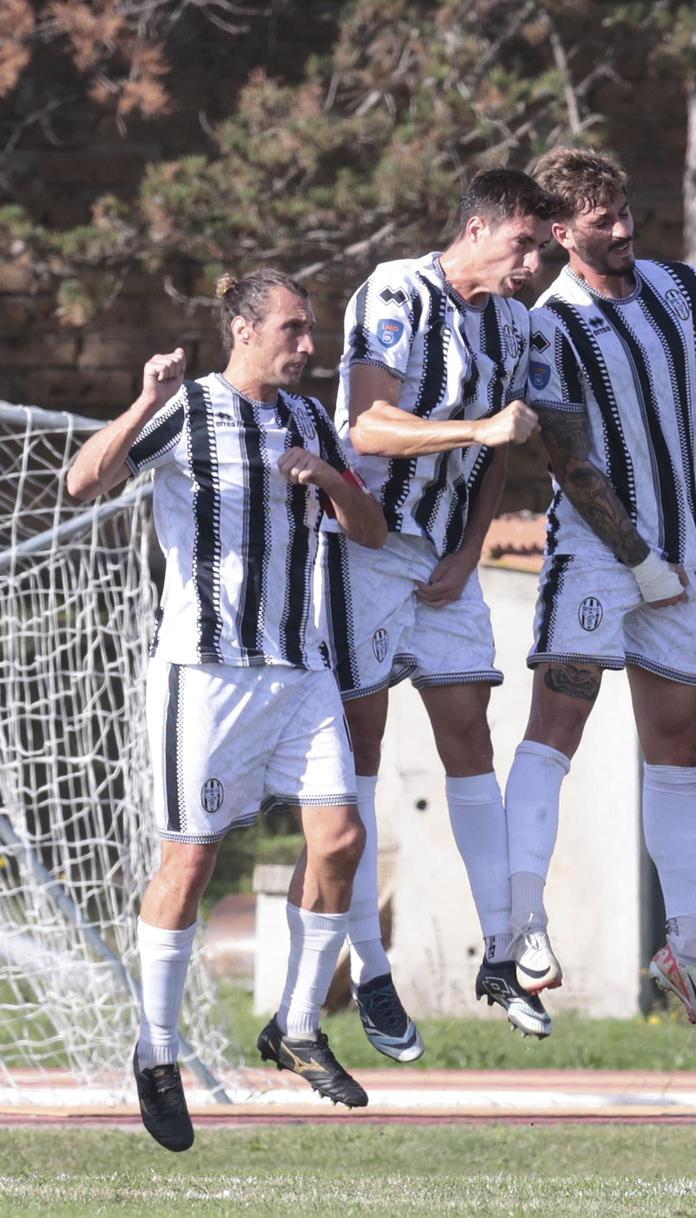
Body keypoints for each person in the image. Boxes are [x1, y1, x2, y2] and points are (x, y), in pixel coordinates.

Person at [66, 269, 388, 1151]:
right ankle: (157, 1053)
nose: (309, 346)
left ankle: (295, 1024)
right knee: (191, 863)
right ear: (243, 330)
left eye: (311, 330)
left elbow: (371, 532)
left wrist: (328, 474)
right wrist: (142, 401)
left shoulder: (312, 419)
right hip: (205, 676)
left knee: (342, 839)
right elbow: (81, 482)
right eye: (293, 329)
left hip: (299, 667)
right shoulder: (188, 407)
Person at [315, 168, 560, 1047]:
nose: (534, 261)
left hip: (445, 561)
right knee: (362, 750)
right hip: (369, 551)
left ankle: (498, 954)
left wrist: (469, 550)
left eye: (541, 247)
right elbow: (367, 427)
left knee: (469, 735)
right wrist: (478, 429)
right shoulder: (396, 288)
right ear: (479, 228)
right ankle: (373, 975)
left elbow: (505, 447)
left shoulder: (516, 323)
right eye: (523, 242)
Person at [510, 146, 696, 1045]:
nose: (624, 227)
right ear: (562, 233)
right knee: (555, 727)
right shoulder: (548, 324)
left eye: (626, 208)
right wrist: (637, 556)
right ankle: (520, 925)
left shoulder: (678, 288)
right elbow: (567, 457)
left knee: (677, 744)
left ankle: (688, 948)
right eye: (602, 218)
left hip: (682, 553)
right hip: (602, 557)